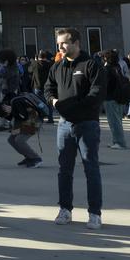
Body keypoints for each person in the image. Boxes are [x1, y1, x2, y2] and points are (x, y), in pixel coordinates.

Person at [45, 27, 105, 230]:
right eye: (59, 43)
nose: (61, 47)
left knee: (91, 169)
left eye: (64, 42)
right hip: (64, 125)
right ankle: (65, 209)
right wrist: (55, 103)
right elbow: (48, 88)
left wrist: (73, 107)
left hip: (87, 124)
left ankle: (95, 213)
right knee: (64, 170)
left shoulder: (91, 65)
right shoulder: (57, 67)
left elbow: (96, 94)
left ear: (77, 43)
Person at [0, 92, 44, 167]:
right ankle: (29, 157)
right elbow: (18, 119)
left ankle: (36, 159)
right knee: (11, 139)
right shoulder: (13, 104)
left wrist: (18, 129)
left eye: (6, 113)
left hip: (34, 121)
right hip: (28, 121)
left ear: (5, 107)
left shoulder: (16, 103)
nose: (7, 114)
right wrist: (15, 129)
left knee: (19, 140)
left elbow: (24, 117)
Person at [99, 50, 128, 149]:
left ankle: (119, 142)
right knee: (117, 120)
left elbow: (105, 84)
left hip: (110, 97)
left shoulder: (107, 69)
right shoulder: (117, 67)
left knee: (114, 121)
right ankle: (116, 141)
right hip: (119, 97)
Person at [30, 49, 55, 123]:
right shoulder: (50, 64)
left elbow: (30, 69)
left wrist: (35, 59)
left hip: (37, 87)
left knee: (38, 103)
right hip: (47, 86)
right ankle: (50, 118)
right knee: (49, 103)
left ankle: (40, 118)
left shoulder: (35, 64)